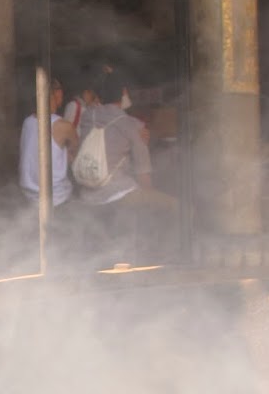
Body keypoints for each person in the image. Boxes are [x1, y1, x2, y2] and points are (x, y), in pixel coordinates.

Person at [74, 71, 176, 260]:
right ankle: (165, 256)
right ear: (124, 93)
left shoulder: (88, 117)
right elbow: (144, 175)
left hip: (87, 194)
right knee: (177, 207)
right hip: (119, 193)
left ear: (99, 96)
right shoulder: (132, 125)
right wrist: (149, 196)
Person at [18, 77, 77, 207]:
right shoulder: (63, 126)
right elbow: (75, 154)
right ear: (57, 93)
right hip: (55, 198)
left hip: (28, 195)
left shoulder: (27, 121)